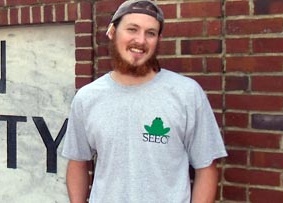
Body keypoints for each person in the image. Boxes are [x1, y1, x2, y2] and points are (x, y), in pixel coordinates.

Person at [61, 0, 228, 202]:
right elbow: (77, 162)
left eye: (150, 33)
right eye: (132, 29)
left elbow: (206, 168)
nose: (140, 40)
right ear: (112, 32)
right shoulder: (87, 98)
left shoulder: (186, 93)